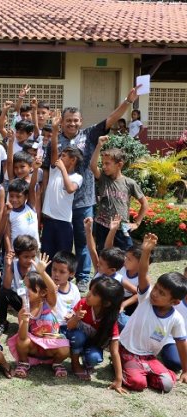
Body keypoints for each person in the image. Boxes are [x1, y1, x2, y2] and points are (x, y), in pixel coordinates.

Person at [42, 86, 140, 292]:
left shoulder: (89, 134)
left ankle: (83, 276)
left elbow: (110, 119)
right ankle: (58, 276)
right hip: (58, 204)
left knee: (84, 240)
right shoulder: (54, 140)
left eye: (76, 120)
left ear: (81, 121)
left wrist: (128, 102)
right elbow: (47, 172)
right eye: (68, 120)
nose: (72, 123)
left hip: (83, 200)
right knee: (60, 243)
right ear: (63, 121)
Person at [118, 233, 187, 392]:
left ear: (175, 302)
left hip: (149, 356)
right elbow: (142, 273)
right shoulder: (146, 298)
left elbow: (181, 343)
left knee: (167, 384)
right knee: (138, 383)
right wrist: (146, 251)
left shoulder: (176, 319)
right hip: (128, 349)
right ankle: (122, 364)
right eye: (156, 288)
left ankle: (140, 370)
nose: (155, 293)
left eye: (162, 293)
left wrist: (185, 370)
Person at [9, 254, 70, 378]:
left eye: (29, 288)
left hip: (52, 345)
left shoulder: (49, 304)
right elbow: (22, 336)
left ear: (42, 292)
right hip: (34, 346)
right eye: (23, 287)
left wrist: (42, 273)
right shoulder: (24, 310)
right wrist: (25, 321)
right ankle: (24, 362)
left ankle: (57, 363)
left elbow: (52, 290)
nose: (25, 291)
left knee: (65, 349)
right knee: (20, 341)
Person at [90, 136, 148, 251]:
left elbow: (145, 204)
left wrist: (136, 223)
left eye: (107, 164)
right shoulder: (103, 179)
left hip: (122, 227)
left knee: (127, 255)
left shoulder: (129, 183)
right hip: (103, 226)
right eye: (103, 163)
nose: (104, 166)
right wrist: (99, 146)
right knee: (104, 255)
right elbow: (92, 166)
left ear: (119, 165)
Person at [66, 276, 124, 387]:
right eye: (90, 290)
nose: (88, 294)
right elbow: (69, 326)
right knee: (78, 336)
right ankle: (75, 363)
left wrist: (118, 379)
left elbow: (114, 351)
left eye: (94, 294)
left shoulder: (110, 321)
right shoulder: (83, 304)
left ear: (106, 303)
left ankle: (86, 360)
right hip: (74, 340)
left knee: (95, 358)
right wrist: (76, 317)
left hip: (91, 345)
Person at [41, 111, 83, 260]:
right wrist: (54, 130)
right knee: (46, 255)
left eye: (64, 156)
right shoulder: (54, 170)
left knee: (62, 258)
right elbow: (53, 150)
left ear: (73, 161)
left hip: (64, 223)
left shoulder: (77, 177)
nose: (60, 157)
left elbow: (70, 189)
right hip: (49, 220)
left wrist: (63, 169)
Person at [0, 235, 38, 336]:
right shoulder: (13, 265)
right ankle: (2, 322)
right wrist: (9, 266)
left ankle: (34, 322)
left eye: (32, 256)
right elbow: (6, 286)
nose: (29, 260)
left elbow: (39, 294)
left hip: (33, 303)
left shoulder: (36, 267)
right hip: (20, 300)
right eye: (26, 257)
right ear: (17, 255)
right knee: (3, 292)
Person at [5, 177, 39, 251]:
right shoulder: (8, 213)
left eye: (18, 196)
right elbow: (7, 234)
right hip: (18, 253)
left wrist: (36, 169)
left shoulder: (30, 206)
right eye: (11, 196)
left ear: (26, 196)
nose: (14, 199)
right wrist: (9, 250)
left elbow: (32, 187)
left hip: (34, 250)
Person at [50, 251, 81, 331]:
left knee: (79, 339)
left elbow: (76, 308)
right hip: (49, 324)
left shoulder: (74, 289)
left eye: (62, 272)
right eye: (54, 269)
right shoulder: (47, 286)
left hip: (67, 326)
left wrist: (72, 315)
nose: (56, 274)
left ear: (71, 274)